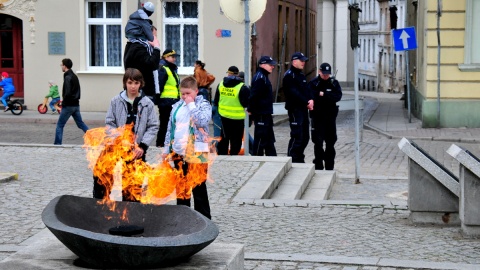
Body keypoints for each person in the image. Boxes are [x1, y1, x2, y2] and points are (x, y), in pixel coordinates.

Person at [93, 68, 159, 201]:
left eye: (136, 83)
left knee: (132, 189)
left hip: (136, 150)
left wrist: (143, 146)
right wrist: (119, 139)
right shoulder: (115, 101)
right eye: (130, 83)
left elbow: (153, 126)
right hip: (116, 147)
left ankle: (130, 217)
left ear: (141, 83)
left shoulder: (147, 104)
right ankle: (101, 209)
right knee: (101, 177)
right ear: (125, 83)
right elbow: (110, 123)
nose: (133, 86)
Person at [162, 76, 211, 219]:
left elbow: (202, 121)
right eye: (182, 93)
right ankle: (183, 218)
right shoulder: (177, 106)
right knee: (182, 188)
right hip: (178, 153)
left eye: (188, 93)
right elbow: (170, 128)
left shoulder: (203, 105)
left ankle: (203, 219)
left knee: (198, 187)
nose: (185, 96)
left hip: (197, 152)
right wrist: (166, 149)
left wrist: (191, 105)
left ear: (196, 91)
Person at [308, 62, 342, 170]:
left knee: (330, 143)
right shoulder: (314, 83)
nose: (325, 76)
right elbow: (312, 96)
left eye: (327, 74)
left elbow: (337, 96)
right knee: (318, 143)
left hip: (330, 118)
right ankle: (318, 165)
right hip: (317, 117)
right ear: (319, 71)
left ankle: (329, 166)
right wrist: (322, 96)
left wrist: (324, 94)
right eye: (324, 74)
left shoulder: (334, 83)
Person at [282, 52, 314, 163]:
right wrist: (306, 101)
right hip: (295, 110)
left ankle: (299, 158)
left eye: (304, 60)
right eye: (301, 61)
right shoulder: (289, 75)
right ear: (294, 61)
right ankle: (292, 159)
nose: (304, 63)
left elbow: (305, 91)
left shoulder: (301, 75)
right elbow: (294, 93)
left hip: (303, 110)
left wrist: (310, 100)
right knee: (297, 136)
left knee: (305, 137)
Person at [213, 66, 250, 155]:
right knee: (236, 139)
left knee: (224, 138)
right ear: (238, 75)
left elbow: (216, 101)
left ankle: (222, 155)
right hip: (238, 118)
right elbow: (246, 103)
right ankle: (234, 156)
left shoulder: (221, 84)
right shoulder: (242, 87)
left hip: (224, 116)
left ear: (228, 73)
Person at [54, 59, 89, 145]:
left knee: (60, 125)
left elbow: (67, 93)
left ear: (65, 66)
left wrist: (63, 103)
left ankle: (57, 144)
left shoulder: (67, 77)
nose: (61, 66)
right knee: (80, 124)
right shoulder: (74, 76)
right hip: (76, 105)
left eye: (61, 65)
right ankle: (93, 137)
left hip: (69, 105)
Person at [248, 56, 277, 156]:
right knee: (260, 138)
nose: (272, 67)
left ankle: (273, 157)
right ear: (263, 65)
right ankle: (257, 157)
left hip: (266, 113)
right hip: (261, 113)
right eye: (270, 65)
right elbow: (254, 96)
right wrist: (251, 110)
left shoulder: (263, 77)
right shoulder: (260, 78)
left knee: (269, 138)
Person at [124, 25, 161, 102]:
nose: (155, 39)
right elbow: (152, 64)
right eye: (154, 36)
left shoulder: (144, 48)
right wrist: (157, 48)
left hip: (146, 92)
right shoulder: (139, 48)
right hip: (142, 92)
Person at [156, 49, 181, 147]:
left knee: (171, 125)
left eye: (175, 57)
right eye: (172, 57)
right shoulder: (163, 68)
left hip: (173, 101)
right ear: (166, 57)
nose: (174, 59)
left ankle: (168, 144)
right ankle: (160, 144)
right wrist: (159, 101)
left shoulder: (171, 69)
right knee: (164, 125)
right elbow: (159, 86)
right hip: (166, 102)